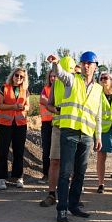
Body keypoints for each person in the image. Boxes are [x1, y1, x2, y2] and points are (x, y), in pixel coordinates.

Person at [51, 51, 103, 222]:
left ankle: (74, 206)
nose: (86, 66)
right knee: (65, 172)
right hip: (70, 131)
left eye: (90, 63)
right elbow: (60, 73)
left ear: (95, 67)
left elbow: (98, 114)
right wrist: (55, 63)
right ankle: (62, 209)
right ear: (80, 65)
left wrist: (98, 136)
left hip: (87, 134)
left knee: (80, 173)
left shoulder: (98, 88)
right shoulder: (72, 80)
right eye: (84, 63)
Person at [39, 56, 75, 207]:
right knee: (54, 161)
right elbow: (49, 105)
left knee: (71, 164)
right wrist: (56, 110)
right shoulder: (55, 85)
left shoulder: (78, 84)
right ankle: (52, 194)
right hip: (58, 127)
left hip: (74, 128)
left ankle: (71, 195)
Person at [0, 67, 29, 190]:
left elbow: (28, 106)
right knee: (3, 151)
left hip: (20, 124)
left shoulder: (25, 90)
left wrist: (23, 108)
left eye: (21, 77)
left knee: (19, 152)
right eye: (17, 75)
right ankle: (1, 178)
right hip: (5, 124)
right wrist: (14, 106)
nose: (18, 78)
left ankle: (18, 177)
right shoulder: (4, 88)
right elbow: (0, 105)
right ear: (12, 75)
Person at [38, 70, 57, 181]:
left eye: (54, 76)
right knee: (46, 149)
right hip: (47, 123)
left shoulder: (61, 89)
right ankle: (46, 174)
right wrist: (54, 105)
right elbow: (42, 99)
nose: (52, 78)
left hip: (58, 123)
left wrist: (49, 103)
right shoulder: (46, 89)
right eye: (51, 76)